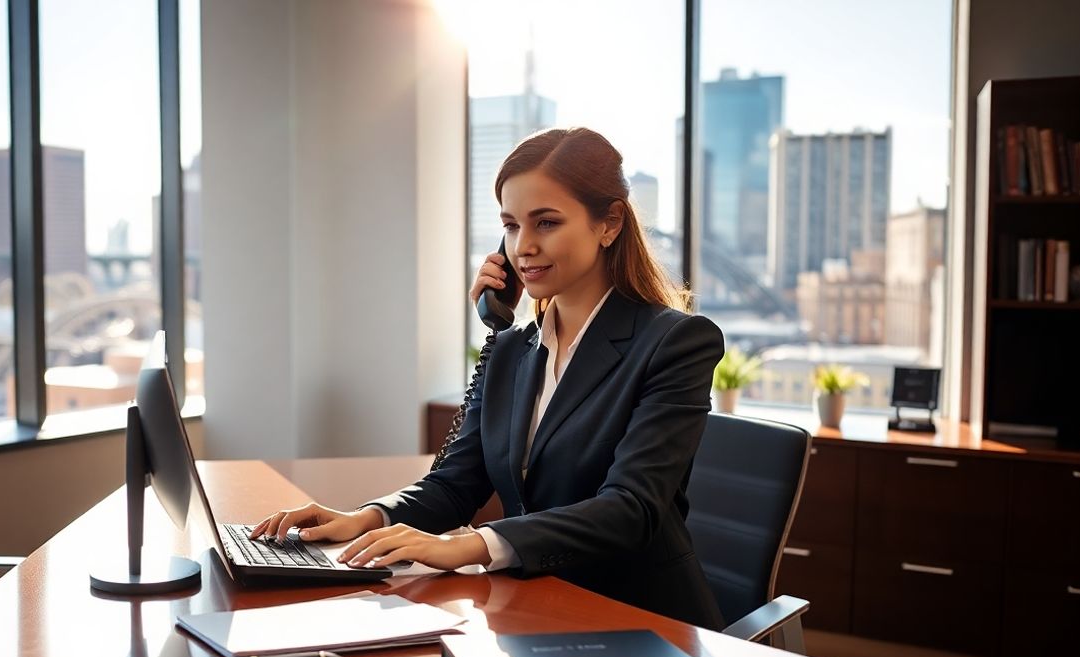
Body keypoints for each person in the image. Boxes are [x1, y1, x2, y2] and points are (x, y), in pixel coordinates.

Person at [250, 127, 726, 629]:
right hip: (533, 608)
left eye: (546, 222)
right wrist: (365, 518)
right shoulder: (511, 349)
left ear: (608, 224)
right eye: (511, 226)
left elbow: (630, 508)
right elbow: (456, 485)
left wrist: (467, 546)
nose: (524, 247)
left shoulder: (675, 343)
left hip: (640, 623)